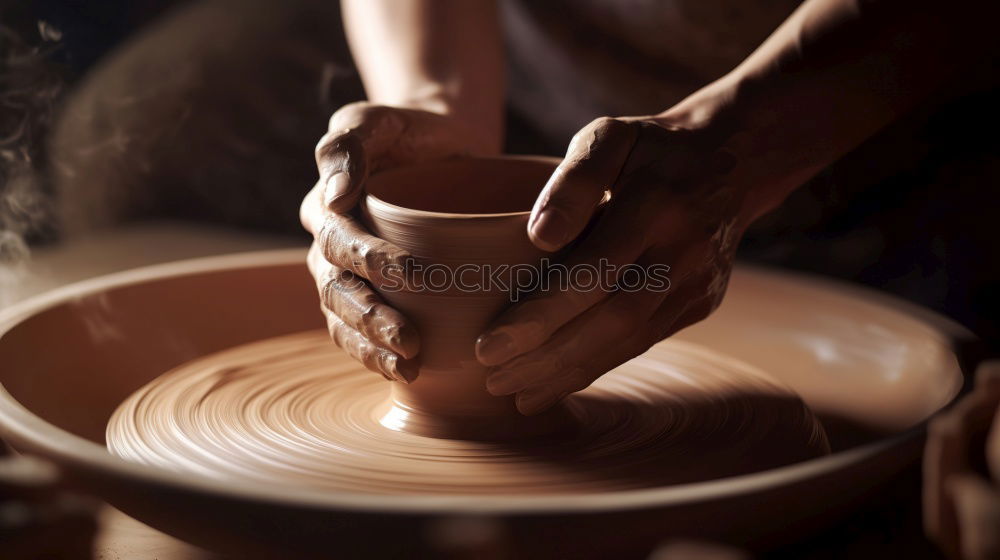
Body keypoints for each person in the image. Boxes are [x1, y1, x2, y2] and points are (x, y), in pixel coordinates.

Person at [36, 0, 999, 415]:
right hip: (522, 37)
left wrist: (751, 145)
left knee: (948, 382)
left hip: (856, 80)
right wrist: (439, 104)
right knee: (129, 147)